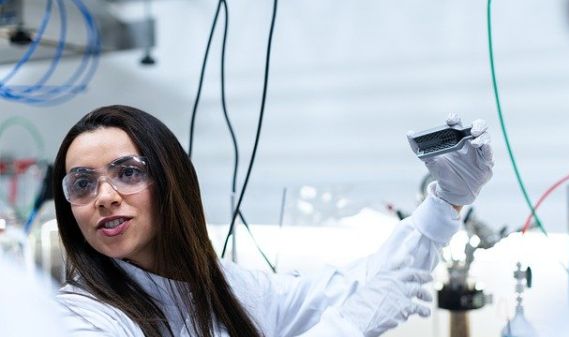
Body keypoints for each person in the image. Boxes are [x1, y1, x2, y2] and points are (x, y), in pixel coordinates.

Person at [52, 105, 493, 337]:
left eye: (127, 172)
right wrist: (350, 326)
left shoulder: (224, 288)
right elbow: (358, 309)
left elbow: (365, 286)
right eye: (83, 183)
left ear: (172, 181)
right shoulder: (79, 319)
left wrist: (447, 203)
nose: (105, 197)